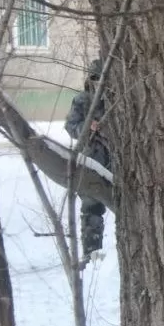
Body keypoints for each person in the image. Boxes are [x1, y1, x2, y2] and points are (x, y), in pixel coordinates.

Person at [64, 58, 110, 260]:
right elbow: (71, 127)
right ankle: (92, 250)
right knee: (91, 205)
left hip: (116, 157)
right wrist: (88, 126)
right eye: (95, 79)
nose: (99, 83)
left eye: (102, 79)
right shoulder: (82, 100)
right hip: (92, 157)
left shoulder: (115, 99)